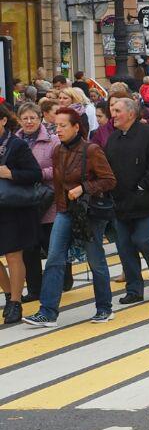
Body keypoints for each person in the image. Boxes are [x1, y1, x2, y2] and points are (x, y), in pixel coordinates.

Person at [23, 107, 118, 327]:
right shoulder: (59, 151)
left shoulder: (92, 150)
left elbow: (109, 180)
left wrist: (83, 188)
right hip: (65, 211)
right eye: (56, 125)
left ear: (76, 127)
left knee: (96, 260)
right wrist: (60, 206)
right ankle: (47, 313)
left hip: (89, 213)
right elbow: (58, 185)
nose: (58, 130)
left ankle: (104, 308)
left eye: (63, 126)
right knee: (55, 258)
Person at [105, 96, 149, 304]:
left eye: (117, 111)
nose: (113, 115)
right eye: (112, 111)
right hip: (120, 203)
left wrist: (144, 186)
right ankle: (134, 289)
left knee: (142, 240)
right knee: (124, 246)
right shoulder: (113, 139)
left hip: (144, 201)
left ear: (131, 113)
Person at [0, 104, 43, 324]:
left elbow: (35, 174)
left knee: (13, 256)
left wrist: (11, 174)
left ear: (3, 121)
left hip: (13, 209)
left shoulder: (15, 145)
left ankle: (16, 302)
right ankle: (9, 295)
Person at [15, 102, 59, 305]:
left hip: (48, 201)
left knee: (52, 246)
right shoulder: (13, 143)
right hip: (24, 202)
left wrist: (37, 174)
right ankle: (34, 288)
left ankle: (61, 282)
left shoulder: (52, 140)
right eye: (25, 118)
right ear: (19, 120)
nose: (29, 121)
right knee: (29, 248)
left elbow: (59, 168)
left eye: (33, 117)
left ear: (40, 118)